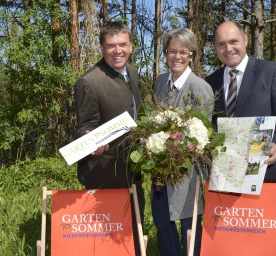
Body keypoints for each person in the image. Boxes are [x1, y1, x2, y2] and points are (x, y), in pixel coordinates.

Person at [74, 21, 144, 254]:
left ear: (130, 46)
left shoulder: (133, 73)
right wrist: (89, 139)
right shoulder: (89, 81)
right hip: (104, 172)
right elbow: (85, 125)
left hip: (133, 167)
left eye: (123, 44)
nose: (118, 50)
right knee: (107, 240)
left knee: (134, 229)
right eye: (111, 45)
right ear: (102, 47)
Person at [206, 21, 276, 183]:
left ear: (245, 40)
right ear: (215, 47)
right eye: (221, 44)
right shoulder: (210, 82)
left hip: (267, 172)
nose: (228, 49)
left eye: (233, 41)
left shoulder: (271, 72)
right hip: (226, 177)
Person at [152, 28, 214, 256]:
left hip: (188, 170)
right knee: (162, 222)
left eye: (183, 52)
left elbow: (203, 134)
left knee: (190, 225)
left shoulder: (200, 88)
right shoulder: (160, 82)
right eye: (172, 51)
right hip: (160, 167)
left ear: (191, 55)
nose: (177, 56)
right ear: (166, 53)